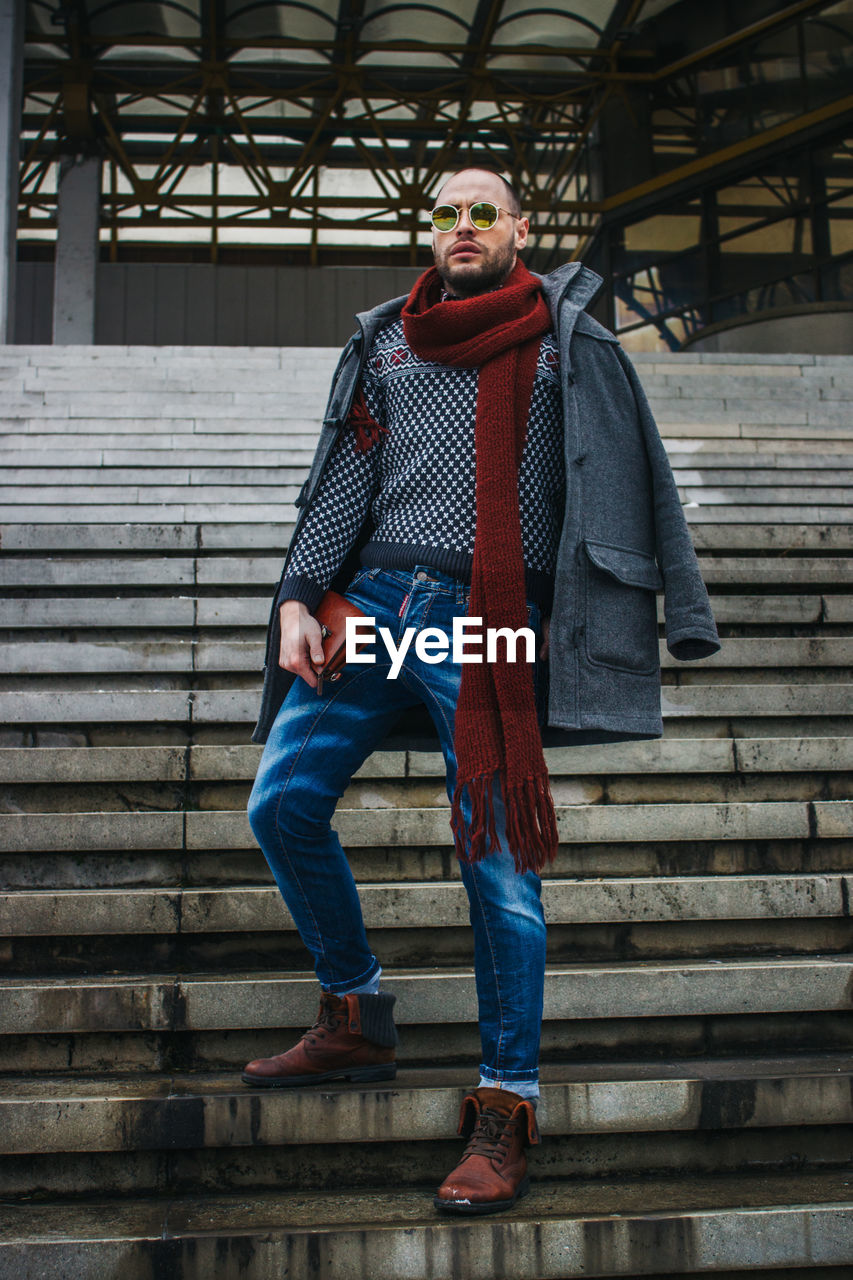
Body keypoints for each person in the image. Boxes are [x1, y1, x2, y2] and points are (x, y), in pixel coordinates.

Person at [244, 167, 720, 1215]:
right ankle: (356, 1008)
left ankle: (505, 1098)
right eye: (445, 213)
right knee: (278, 802)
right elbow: (343, 480)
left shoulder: (563, 337)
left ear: (519, 228)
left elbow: (637, 472)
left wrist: (675, 612)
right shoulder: (390, 341)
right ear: (431, 231)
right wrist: (296, 594)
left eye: (482, 213)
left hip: (491, 614)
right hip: (369, 602)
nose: (462, 227)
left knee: (498, 863)